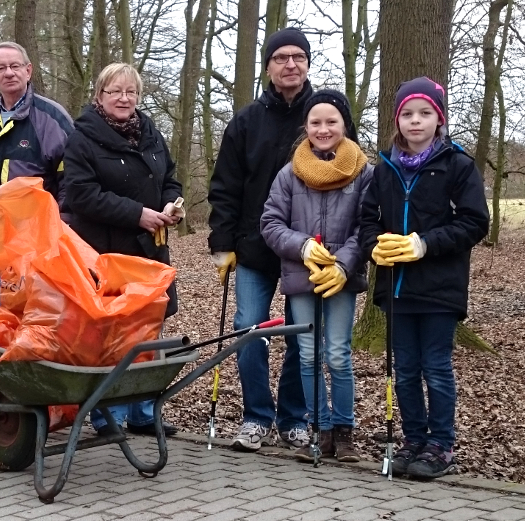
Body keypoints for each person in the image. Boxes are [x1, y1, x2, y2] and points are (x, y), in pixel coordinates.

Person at [359, 77, 489, 479]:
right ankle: (414, 440)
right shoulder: (384, 169)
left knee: (436, 366)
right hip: (396, 289)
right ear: (397, 121)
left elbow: (474, 222)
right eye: (408, 114)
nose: (416, 121)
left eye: (425, 113)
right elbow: (367, 219)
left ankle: (441, 446)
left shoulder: (458, 165)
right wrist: (373, 246)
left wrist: (424, 245)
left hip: (440, 287)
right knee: (407, 369)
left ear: (439, 118)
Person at [63, 62, 183, 437]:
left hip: (148, 253)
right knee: (108, 335)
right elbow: (81, 195)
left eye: (131, 91)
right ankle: (104, 414)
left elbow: (170, 177)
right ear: (99, 96)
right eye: (115, 91)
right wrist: (137, 215)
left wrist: (170, 204)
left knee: (146, 331)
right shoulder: (82, 137)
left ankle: (144, 412)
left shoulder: (150, 133)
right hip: (104, 254)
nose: (124, 98)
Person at [206, 27, 312, 452]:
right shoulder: (246, 122)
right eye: (281, 57)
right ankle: (256, 417)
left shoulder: (325, 116)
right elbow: (225, 186)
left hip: (308, 248)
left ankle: (293, 418)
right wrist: (222, 242)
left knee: (300, 334)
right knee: (248, 330)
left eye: (298, 57)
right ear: (268, 66)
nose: (290, 64)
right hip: (252, 248)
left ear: (307, 63)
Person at [260, 90, 372, 463]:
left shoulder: (363, 172)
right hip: (301, 276)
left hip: (342, 277)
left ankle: (344, 432)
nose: (323, 129)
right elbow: (271, 222)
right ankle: (319, 429)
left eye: (331, 122)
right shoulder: (290, 173)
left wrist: (344, 264)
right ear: (306, 126)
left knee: (338, 354)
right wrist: (303, 246)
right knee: (307, 354)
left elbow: (367, 226)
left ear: (344, 125)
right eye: (315, 122)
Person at [0, 41, 74, 303]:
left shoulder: (52, 118)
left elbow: (71, 179)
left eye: (15, 66)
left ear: (28, 70)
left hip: (41, 242)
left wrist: (62, 227)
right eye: (1, 68)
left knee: (40, 318)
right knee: (4, 313)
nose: (9, 73)